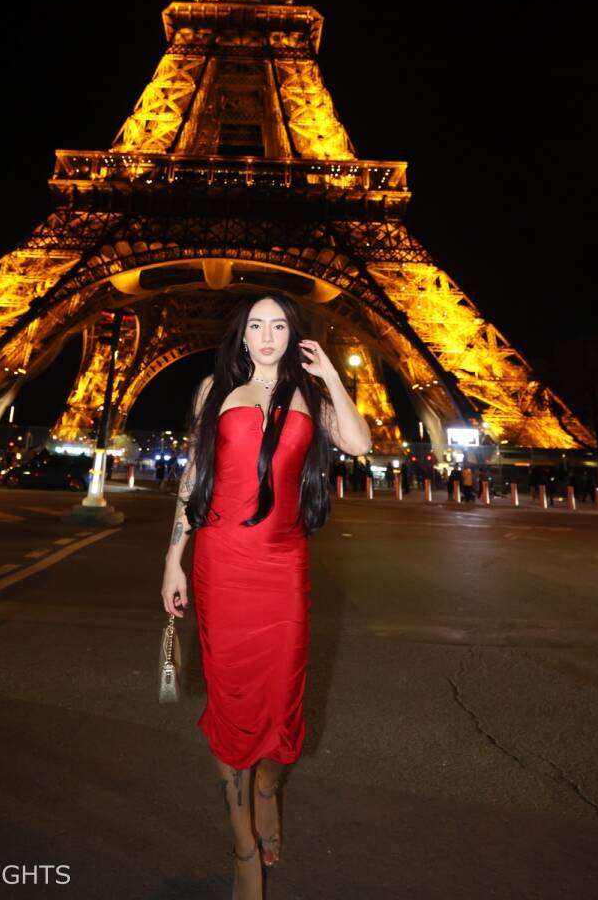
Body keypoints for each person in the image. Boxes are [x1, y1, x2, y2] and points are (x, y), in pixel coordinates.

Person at [161, 292, 371, 899]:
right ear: (243, 336)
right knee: (231, 704)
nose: (268, 335)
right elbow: (194, 476)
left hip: (283, 565)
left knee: (283, 703)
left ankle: (268, 788)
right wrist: (174, 560)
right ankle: (243, 848)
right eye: (256, 325)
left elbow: (358, 444)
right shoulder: (214, 391)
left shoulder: (311, 398)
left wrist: (330, 374)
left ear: (293, 335)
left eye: (279, 325)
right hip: (222, 563)